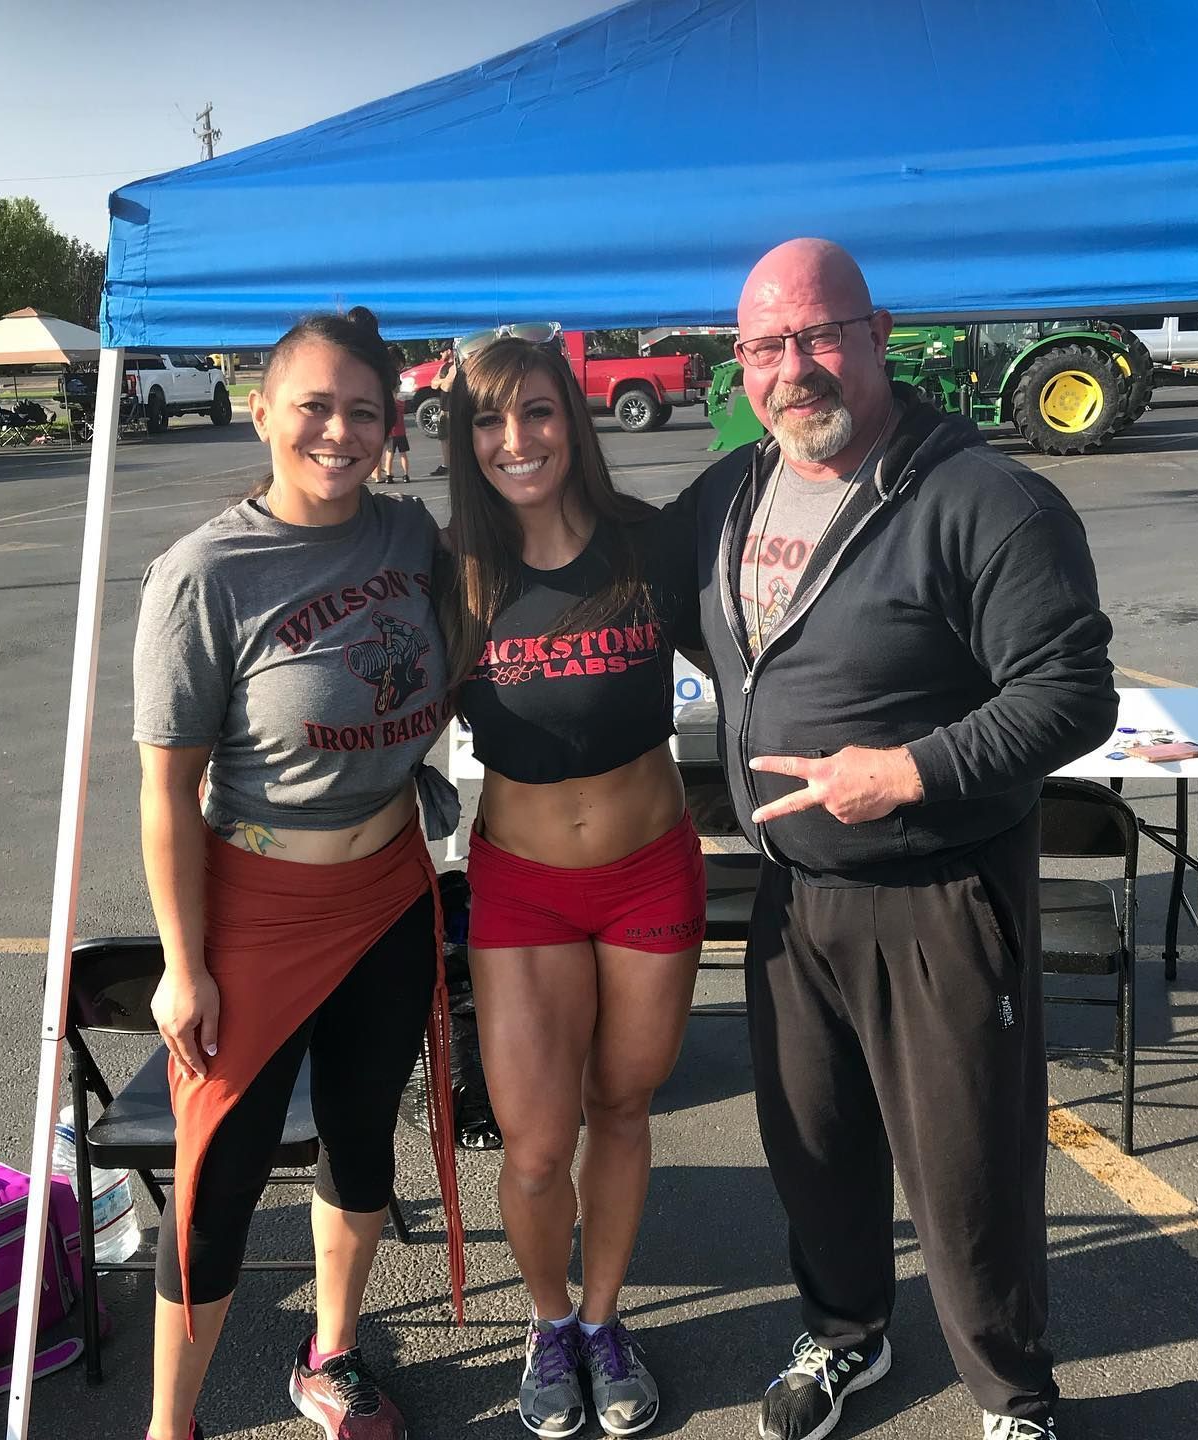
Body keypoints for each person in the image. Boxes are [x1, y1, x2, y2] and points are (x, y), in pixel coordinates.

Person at [669, 239, 1116, 1440]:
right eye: (766, 346)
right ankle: (848, 1335)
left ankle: (1012, 1397)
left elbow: (1071, 695)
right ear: (740, 363)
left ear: (877, 337)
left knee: (968, 1176)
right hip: (792, 894)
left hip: (942, 890)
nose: (794, 369)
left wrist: (909, 771)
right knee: (813, 1150)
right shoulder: (728, 492)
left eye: (819, 336)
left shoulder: (987, 499)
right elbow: (621, 588)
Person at [132, 308, 464, 1440]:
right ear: (262, 408)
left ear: (390, 425)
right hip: (259, 912)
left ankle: (331, 1356)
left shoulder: (411, 537)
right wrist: (183, 965)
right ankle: (169, 1427)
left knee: (363, 1134)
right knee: (218, 1184)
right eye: (313, 405)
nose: (338, 430)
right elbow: (167, 792)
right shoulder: (204, 574)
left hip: (388, 889)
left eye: (362, 410)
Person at [439, 335, 705, 1438]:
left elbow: (767, 644)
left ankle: (603, 1321)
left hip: (651, 870)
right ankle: (548, 1324)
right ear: (466, 441)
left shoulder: (650, 543)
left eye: (538, 413)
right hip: (525, 889)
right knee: (538, 1146)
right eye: (491, 423)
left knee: (625, 1107)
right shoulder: (451, 572)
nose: (517, 441)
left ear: (573, 418)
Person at [427, 347, 454, 476]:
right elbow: (433, 383)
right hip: (444, 410)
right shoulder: (443, 367)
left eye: (443, 351)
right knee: (444, 438)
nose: (441, 353)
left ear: (449, 350)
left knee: (456, 439)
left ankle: (458, 465)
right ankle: (446, 465)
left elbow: (447, 387)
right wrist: (443, 381)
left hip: (454, 409)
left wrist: (441, 382)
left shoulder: (456, 366)